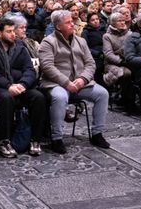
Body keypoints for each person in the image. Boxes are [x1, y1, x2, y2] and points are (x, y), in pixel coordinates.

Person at [38, 10, 111, 154]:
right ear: (58, 26)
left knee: (102, 94)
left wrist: (82, 79)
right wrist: (66, 83)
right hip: (56, 84)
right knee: (60, 97)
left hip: (80, 83)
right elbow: (47, 67)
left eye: (72, 21)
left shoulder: (81, 41)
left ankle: (97, 134)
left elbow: (91, 64)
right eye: (68, 22)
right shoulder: (48, 42)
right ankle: (57, 138)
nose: (73, 24)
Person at [0, 17, 46, 157]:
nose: (13, 34)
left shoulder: (20, 47)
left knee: (38, 97)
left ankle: (35, 139)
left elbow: (29, 70)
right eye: (8, 31)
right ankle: (4, 141)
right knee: (6, 98)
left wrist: (23, 84)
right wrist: (8, 85)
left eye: (13, 31)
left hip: (20, 86)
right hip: (0, 87)